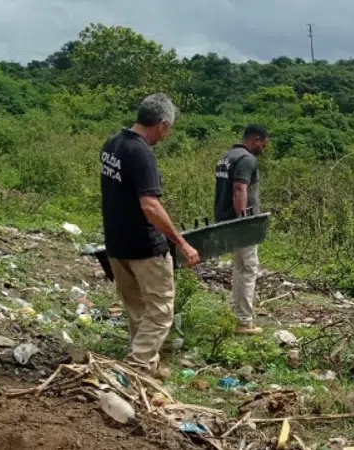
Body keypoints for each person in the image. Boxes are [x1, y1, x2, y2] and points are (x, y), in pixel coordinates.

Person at [100, 93, 200, 379]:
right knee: (160, 311)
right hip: (144, 246)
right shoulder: (140, 152)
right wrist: (181, 242)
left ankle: (150, 362)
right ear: (163, 124)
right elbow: (150, 205)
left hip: (117, 243)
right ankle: (137, 368)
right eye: (168, 130)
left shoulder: (112, 144)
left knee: (137, 308)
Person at [214, 124, 269, 335]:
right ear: (256, 139)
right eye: (262, 145)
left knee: (239, 267)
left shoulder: (226, 157)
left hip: (225, 219)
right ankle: (244, 321)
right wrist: (243, 220)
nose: (262, 149)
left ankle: (236, 313)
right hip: (241, 224)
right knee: (248, 269)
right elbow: (239, 189)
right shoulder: (246, 159)